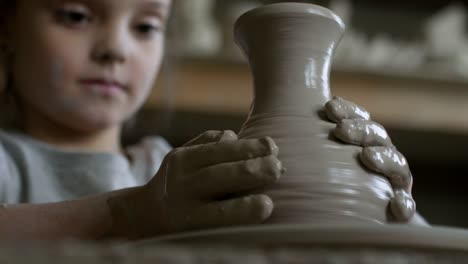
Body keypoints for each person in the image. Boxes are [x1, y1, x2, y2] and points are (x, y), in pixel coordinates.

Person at [0, 0, 424, 241]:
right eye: (75, 15)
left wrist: (384, 200)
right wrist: (123, 215)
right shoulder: (8, 163)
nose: (115, 48)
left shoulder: (176, 169)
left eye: (145, 26)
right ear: (7, 28)